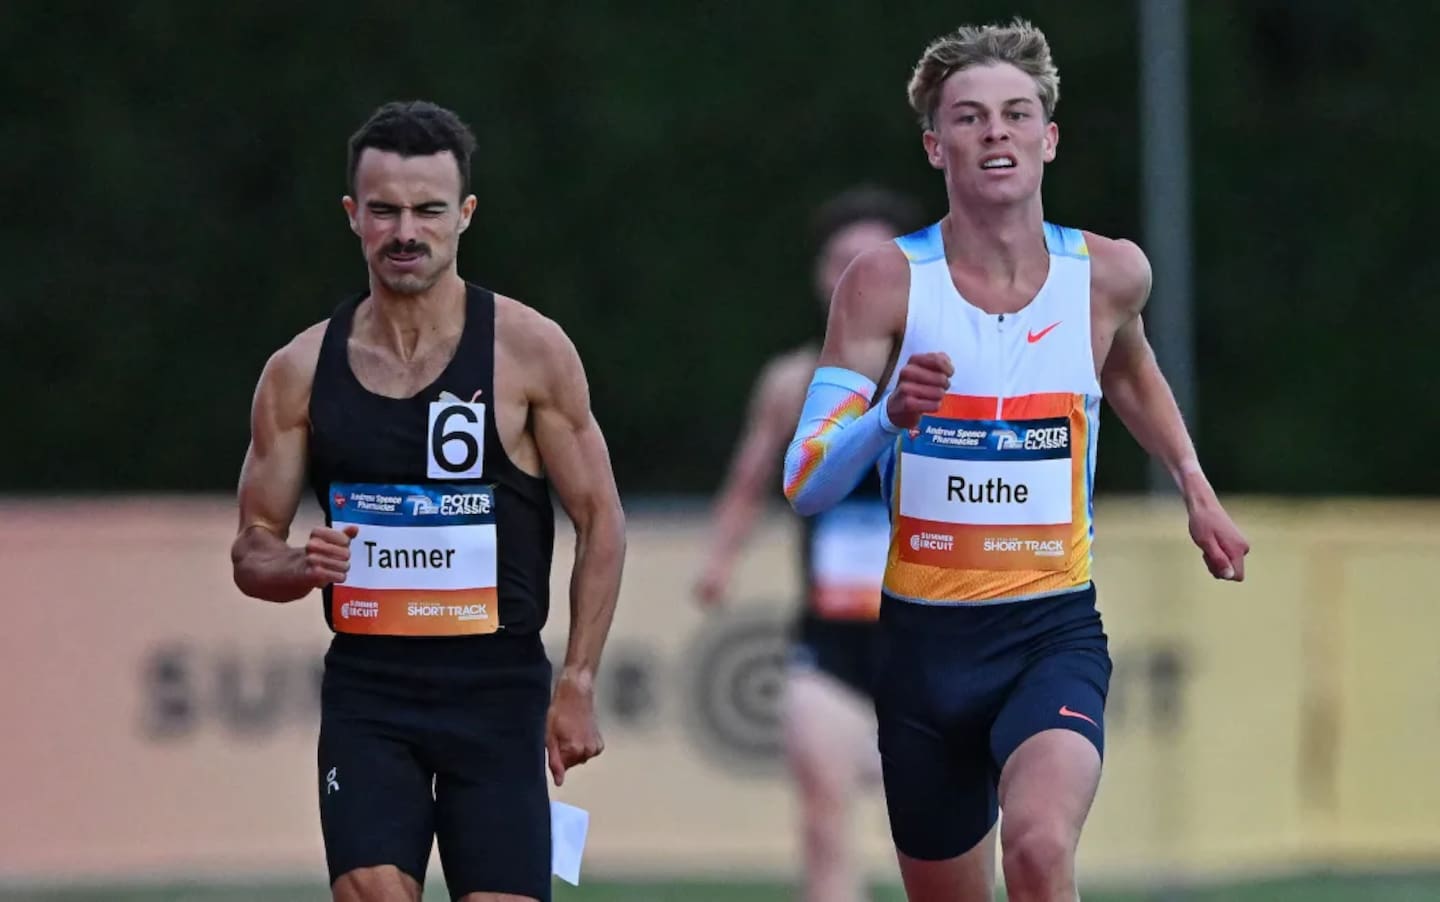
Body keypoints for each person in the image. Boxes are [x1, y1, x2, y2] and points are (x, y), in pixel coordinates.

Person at [781, 20, 1250, 902]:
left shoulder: (1108, 275)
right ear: (934, 145)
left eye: (1015, 113)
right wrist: (890, 416)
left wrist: (1197, 489)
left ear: (1049, 137)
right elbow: (806, 482)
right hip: (921, 648)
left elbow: (1131, 372)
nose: (995, 131)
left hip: (1050, 633)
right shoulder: (884, 283)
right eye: (968, 117)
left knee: (1037, 848)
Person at [229, 100, 626, 902]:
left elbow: (600, 520)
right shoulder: (300, 372)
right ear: (353, 216)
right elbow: (251, 548)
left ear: (464, 215)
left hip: (499, 692)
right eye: (384, 211)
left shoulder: (528, 350)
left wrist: (577, 680)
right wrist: (300, 564)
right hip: (371, 693)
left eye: (427, 210)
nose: (405, 231)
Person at [694, 186, 923, 902]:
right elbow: (748, 481)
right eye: (839, 262)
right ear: (822, 276)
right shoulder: (794, 384)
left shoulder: (954, 378)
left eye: (871, 261)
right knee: (824, 822)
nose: (854, 277)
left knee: (944, 836)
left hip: (936, 645)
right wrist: (720, 560)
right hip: (830, 646)